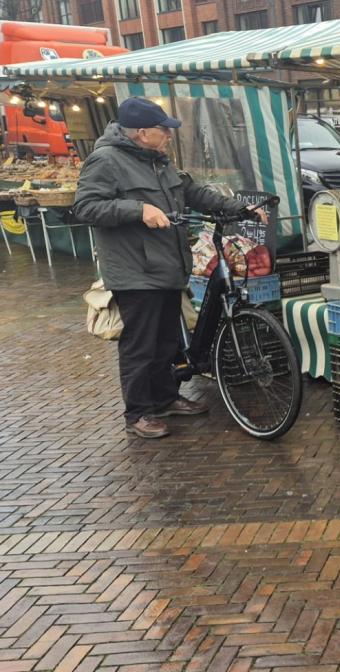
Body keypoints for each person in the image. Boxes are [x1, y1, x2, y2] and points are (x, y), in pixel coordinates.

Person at [74, 97, 263, 439]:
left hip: (167, 265)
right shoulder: (105, 160)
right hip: (135, 270)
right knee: (140, 345)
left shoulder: (158, 160)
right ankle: (138, 413)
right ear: (143, 133)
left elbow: (192, 192)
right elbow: (86, 207)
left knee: (166, 341)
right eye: (164, 130)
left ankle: (165, 398)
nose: (170, 136)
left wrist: (241, 208)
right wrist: (137, 209)